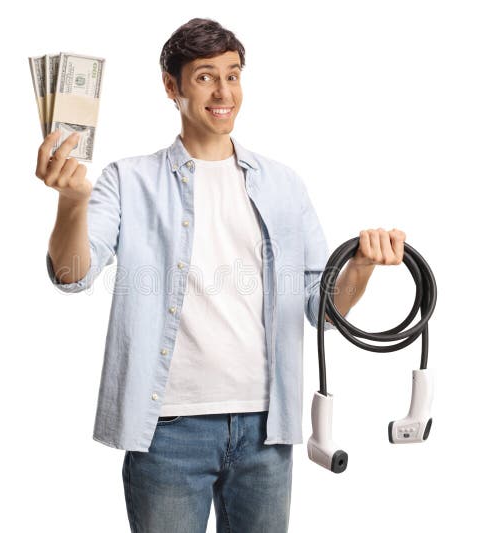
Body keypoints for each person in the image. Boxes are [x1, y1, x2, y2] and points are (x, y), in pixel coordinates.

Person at [35, 17, 406, 533]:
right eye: (206, 76)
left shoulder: (283, 184)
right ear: (172, 86)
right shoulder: (128, 180)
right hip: (168, 432)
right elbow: (72, 274)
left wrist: (361, 268)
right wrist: (71, 203)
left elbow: (323, 309)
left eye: (233, 75)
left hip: (265, 431)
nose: (223, 91)